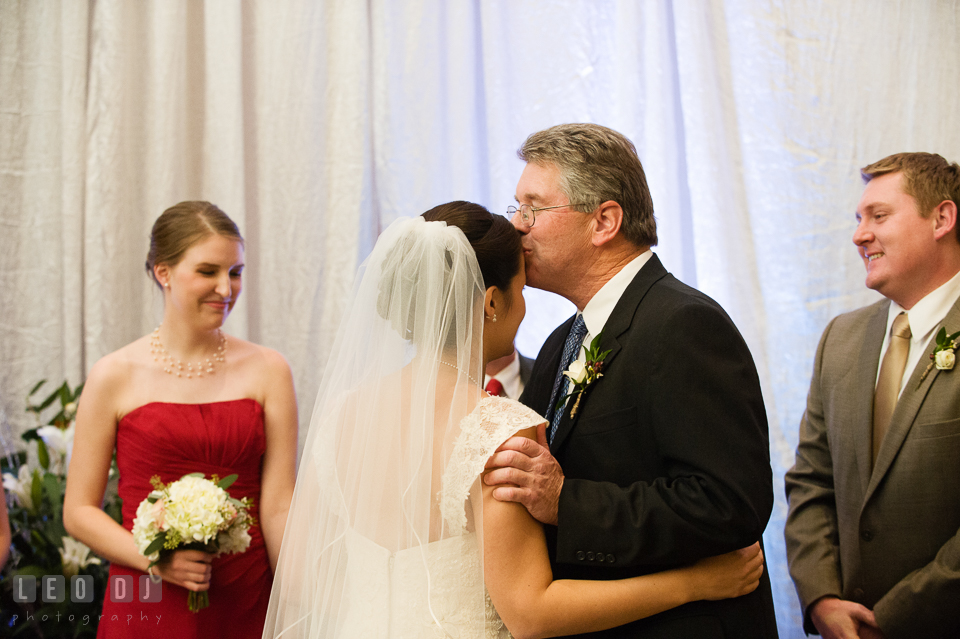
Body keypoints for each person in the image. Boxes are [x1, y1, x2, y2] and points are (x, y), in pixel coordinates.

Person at [262, 202, 764, 639]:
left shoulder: (347, 411)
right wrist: (693, 584)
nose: (525, 309)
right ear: (492, 303)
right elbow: (529, 613)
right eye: (521, 291)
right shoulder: (493, 427)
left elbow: (310, 578)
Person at [483, 123, 778, 637]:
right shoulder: (560, 342)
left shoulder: (684, 325)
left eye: (533, 208)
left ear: (604, 221)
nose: (517, 228)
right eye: (516, 209)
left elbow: (731, 504)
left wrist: (567, 502)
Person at [63, 201, 298, 638]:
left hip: (246, 598)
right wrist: (154, 557)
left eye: (236, 272)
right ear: (163, 272)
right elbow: (78, 511)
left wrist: (304, 597)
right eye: (208, 271)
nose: (226, 289)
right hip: (148, 595)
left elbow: (279, 506)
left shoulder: (270, 370)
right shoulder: (113, 375)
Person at [785, 153, 960, 639]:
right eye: (858, 220)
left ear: (942, 218)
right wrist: (821, 598)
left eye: (879, 216)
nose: (860, 235)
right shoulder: (840, 339)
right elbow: (811, 481)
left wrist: (895, 617)